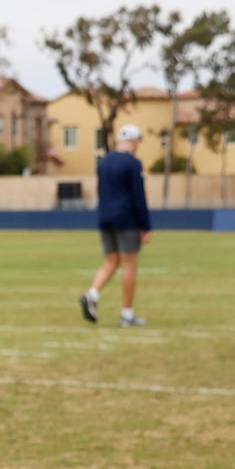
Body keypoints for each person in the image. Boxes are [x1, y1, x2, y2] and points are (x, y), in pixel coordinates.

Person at [83, 125, 151, 326]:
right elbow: (139, 197)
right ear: (134, 140)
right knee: (129, 263)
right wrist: (145, 225)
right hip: (126, 219)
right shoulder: (133, 163)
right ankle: (127, 314)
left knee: (111, 261)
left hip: (105, 218)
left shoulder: (104, 162)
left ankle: (92, 293)